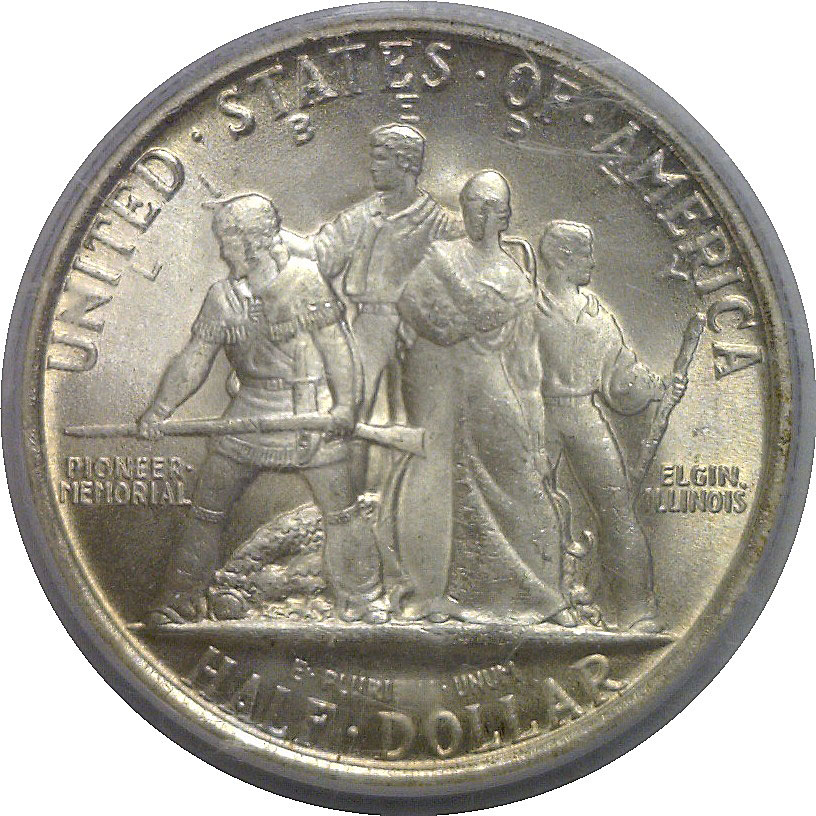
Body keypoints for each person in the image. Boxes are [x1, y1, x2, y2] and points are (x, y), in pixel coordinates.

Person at [139, 193, 387, 626]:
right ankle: (181, 599)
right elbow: (195, 359)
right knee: (207, 508)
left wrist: (346, 405)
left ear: (252, 241)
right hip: (249, 408)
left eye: (228, 240)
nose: (222, 251)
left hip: (309, 411)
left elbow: (337, 348)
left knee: (341, 511)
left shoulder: (305, 281)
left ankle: (362, 598)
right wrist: (159, 410)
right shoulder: (222, 298)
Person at [396, 171, 572, 625]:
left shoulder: (514, 276)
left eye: (492, 206)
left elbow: (525, 358)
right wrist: (455, 325)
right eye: (474, 204)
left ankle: (546, 596)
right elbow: (413, 308)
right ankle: (449, 595)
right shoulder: (442, 259)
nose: (482, 214)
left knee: (522, 481)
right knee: (448, 489)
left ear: (506, 216)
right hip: (440, 388)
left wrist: (535, 424)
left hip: (491, 388)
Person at [286, 123, 462, 496]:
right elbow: (322, 254)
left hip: (425, 331)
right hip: (371, 322)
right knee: (350, 409)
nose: (372, 166)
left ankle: (415, 506)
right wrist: (275, 233)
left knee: (427, 414)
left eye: (381, 158)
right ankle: (348, 500)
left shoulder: (441, 223)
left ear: (405, 163)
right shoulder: (362, 216)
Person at [533, 220, 686, 632]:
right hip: (534, 416)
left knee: (617, 510)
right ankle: (533, 605)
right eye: (585, 254)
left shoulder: (598, 316)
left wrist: (659, 388)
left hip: (584, 413)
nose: (592, 262)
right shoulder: (527, 309)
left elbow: (621, 380)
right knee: (527, 505)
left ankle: (636, 611)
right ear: (562, 258)